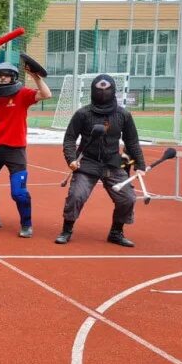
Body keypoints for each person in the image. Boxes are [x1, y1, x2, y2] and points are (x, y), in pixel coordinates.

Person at [57, 74, 146, 247]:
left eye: (107, 90)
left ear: (113, 91)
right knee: (76, 195)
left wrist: (140, 165)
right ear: (92, 91)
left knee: (128, 198)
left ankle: (116, 232)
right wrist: (71, 159)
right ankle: (66, 230)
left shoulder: (123, 115)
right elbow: (69, 139)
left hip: (112, 163)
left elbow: (132, 141)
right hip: (87, 162)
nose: (103, 93)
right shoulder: (83, 114)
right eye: (99, 90)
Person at [0, 62, 52, 238]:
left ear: (13, 77)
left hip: (15, 151)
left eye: (6, 75)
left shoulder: (22, 94)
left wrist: (35, 76)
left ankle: (26, 224)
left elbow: (47, 94)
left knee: (19, 193)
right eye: (0, 75)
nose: (2, 77)